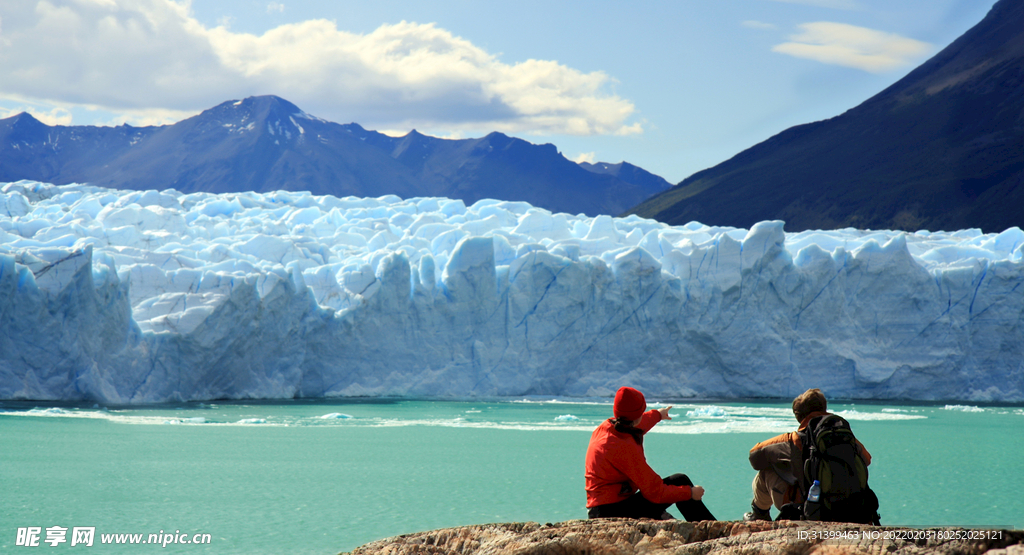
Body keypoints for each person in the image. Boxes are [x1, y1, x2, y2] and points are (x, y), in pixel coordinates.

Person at [585, 386, 716, 521]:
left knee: (669, 521)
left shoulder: (609, 428)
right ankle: (715, 533)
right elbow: (654, 491)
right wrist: (690, 493)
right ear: (636, 416)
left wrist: (659, 414)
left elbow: (641, 423)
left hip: (605, 507)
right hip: (611, 512)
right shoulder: (621, 447)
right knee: (679, 481)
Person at [744, 388, 872, 521]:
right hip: (853, 507)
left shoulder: (794, 439)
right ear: (824, 408)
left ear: (798, 416)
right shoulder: (845, 436)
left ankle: (759, 515)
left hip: (810, 508)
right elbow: (867, 460)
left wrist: (786, 463)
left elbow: (755, 456)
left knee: (766, 472)